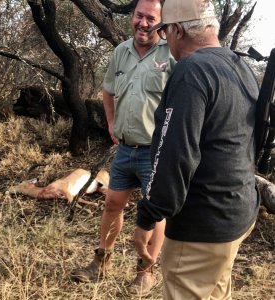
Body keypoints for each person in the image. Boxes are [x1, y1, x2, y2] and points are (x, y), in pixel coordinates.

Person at [134, 0, 261, 299]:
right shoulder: (240, 65)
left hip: (200, 228)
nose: (166, 42)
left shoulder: (192, 70)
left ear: (177, 30)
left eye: (165, 33)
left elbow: (175, 154)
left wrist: (147, 217)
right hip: (239, 213)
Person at [70, 0, 175, 296]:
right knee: (112, 204)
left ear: (162, 22)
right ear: (132, 16)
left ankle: (145, 270)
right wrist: (112, 122)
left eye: (150, 18)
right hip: (125, 150)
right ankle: (100, 262)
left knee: (154, 214)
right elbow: (108, 89)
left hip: (156, 151)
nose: (143, 23)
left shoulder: (171, 55)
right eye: (139, 16)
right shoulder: (121, 51)